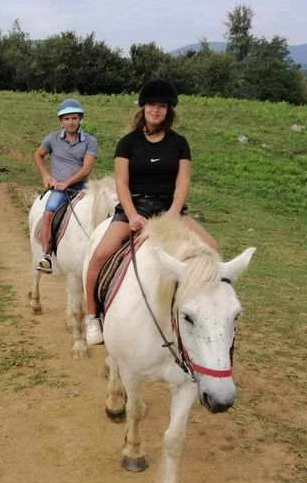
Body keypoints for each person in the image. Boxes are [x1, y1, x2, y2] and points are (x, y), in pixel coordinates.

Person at [83, 78, 219, 345]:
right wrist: (132, 215)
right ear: (143, 108)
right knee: (98, 258)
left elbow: (183, 180)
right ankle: (92, 317)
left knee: (213, 247)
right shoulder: (128, 143)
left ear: (169, 111)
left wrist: (175, 211)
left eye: (162, 106)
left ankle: (209, 315)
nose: (156, 110)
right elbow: (121, 182)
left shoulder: (179, 143)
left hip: (170, 210)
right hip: (135, 208)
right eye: (152, 105)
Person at [33, 98, 98, 273]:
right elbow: (38, 155)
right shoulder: (52, 139)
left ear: (80, 119)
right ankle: (46, 255)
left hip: (82, 187)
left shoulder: (90, 141)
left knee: (101, 211)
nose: (71, 122)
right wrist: (46, 175)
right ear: (61, 121)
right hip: (59, 190)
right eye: (67, 119)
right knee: (48, 213)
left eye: (74, 118)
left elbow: (86, 169)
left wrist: (66, 183)